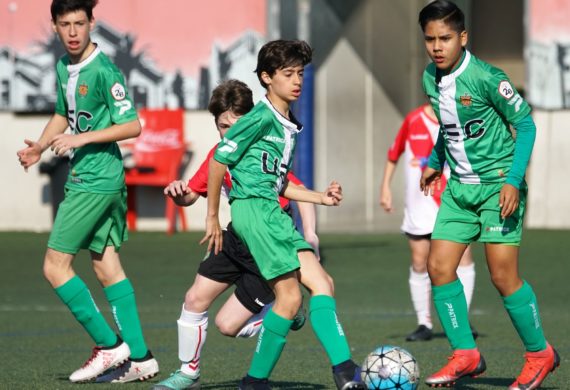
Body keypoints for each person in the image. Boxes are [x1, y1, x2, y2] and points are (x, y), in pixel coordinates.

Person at [203, 40, 365, 390]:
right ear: (266, 78)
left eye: (301, 74)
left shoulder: (286, 121)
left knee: (323, 284)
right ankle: (262, 379)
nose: (297, 81)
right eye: (288, 74)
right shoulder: (259, 117)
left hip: (271, 212)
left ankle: (343, 370)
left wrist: (319, 197)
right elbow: (219, 160)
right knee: (290, 298)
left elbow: (277, 184)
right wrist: (212, 217)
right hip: (255, 214)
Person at [418, 1, 560, 388]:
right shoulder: (430, 77)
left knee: (502, 276)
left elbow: (526, 125)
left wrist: (513, 180)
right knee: (438, 267)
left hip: (499, 188)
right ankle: (466, 354)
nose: (437, 46)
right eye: (430, 39)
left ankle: (540, 354)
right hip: (458, 190)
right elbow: (448, 127)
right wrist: (434, 160)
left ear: (462, 37)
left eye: (445, 38)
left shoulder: (486, 77)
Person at [16, 0, 158, 383]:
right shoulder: (65, 65)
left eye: (81, 23)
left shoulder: (104, 71)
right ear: (55, 27)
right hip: (96, 176)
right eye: (66, 24)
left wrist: (81, 139)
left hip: (96, 180)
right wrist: (40, 147)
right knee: (105, 264)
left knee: (54, 266)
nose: (74, 31)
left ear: (92, 22)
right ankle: (142, 358)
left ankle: (109, 346)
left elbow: (132, 126)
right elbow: (64, 112)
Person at [154, 80, 320, 390]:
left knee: (228, 327)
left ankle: (287, 308)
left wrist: (310, 235)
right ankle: (188, 373)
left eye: (236, 125)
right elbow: (192, 193)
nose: (229, 132)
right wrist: (179, 194)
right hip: (234, 239)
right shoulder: (219, 154)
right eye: (222, 126)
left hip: (268, 245)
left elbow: (299, 190)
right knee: (194, 298)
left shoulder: (262, 151)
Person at [379, 103, 477, 342]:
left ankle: (460, 318)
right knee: (419, 260)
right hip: (419, 203)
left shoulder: (460, 120)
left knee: (463, 258)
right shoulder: (413, 120)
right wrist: (385, 188)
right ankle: (424, 322)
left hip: (453, 201)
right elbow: (393, 155)